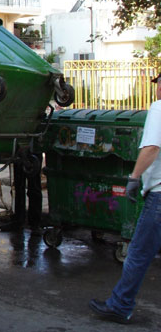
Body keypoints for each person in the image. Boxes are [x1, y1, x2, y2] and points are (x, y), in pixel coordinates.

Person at [89, 73, 161, 324]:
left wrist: (134, 178)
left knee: (139, 253)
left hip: (160, 196)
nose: (157, 89)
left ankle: (120, 305)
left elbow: (151, 147)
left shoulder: (159, 108)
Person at [0, 153, 43, 232]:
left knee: (33, 187)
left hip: (33, 150)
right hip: (22, 151)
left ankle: (34, 224)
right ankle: (19, 221)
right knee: (19, 187)